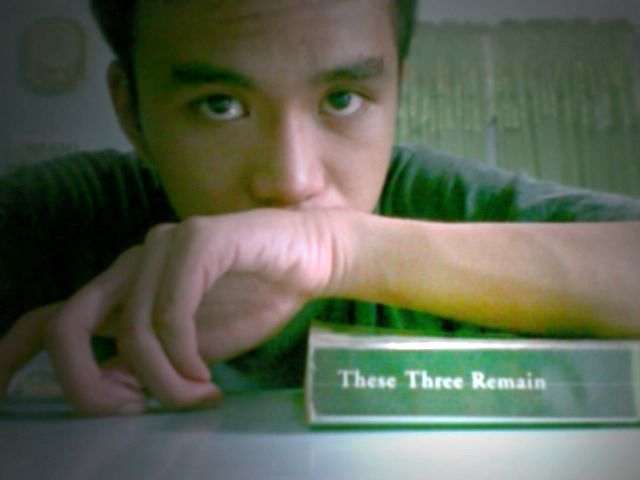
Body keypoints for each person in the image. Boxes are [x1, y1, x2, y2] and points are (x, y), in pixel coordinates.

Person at [1, 0, 639, 416]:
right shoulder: (62, 216)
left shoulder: (442, 202)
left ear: (397, 93)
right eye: (220, 105)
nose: (292, 181)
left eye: (342, 99)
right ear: (132, 112)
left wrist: (338, 252)